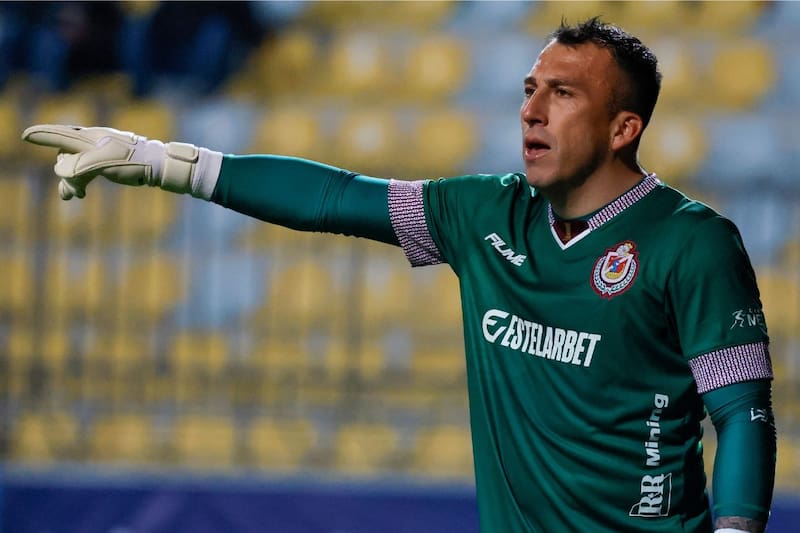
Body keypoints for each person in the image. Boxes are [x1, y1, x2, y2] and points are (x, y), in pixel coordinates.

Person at [22, 17, 776, 533]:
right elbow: (334, 198)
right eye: (528, 90)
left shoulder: (692, 243)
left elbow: (741, 412)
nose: (533, 112)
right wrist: (160, 160)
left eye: (563, 93)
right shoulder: (483, 213)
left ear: (623, 128)